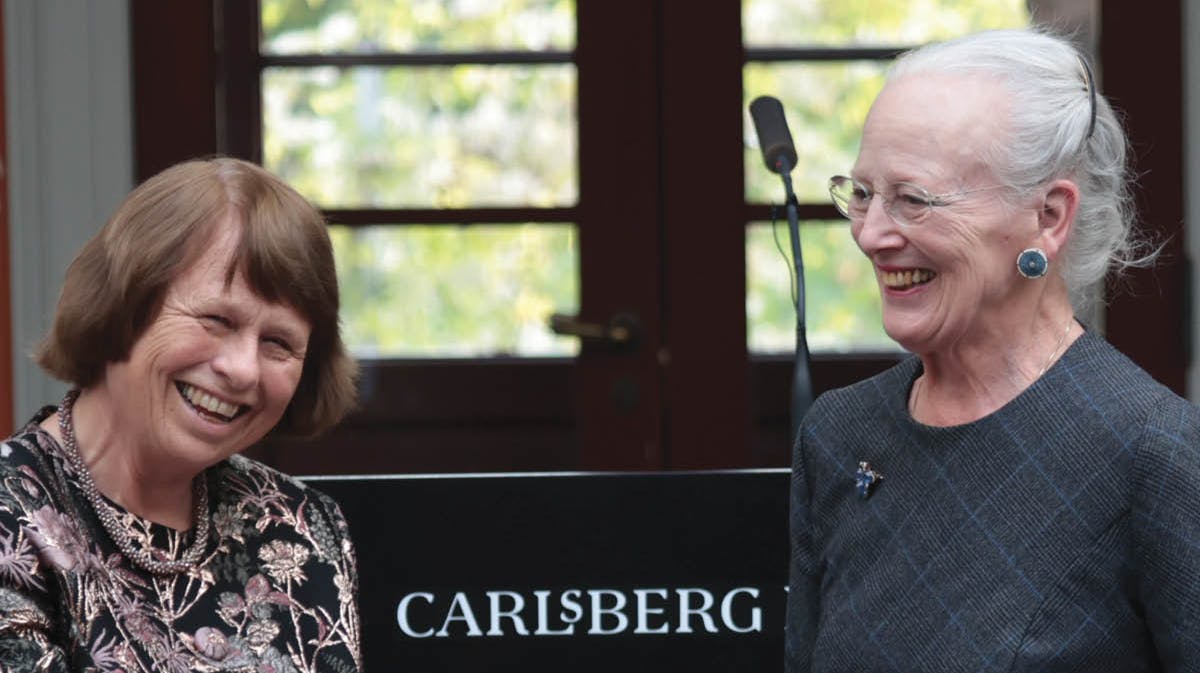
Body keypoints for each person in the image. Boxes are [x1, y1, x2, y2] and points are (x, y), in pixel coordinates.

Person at [786, 28, 1200, 671]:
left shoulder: (1151, 451)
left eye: (914, 200)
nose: (870, 235)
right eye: (862, 194)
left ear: (1049, 217)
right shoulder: (840, 436)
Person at [0, 157, 361, 672]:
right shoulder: (11, 519)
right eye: (216, 319)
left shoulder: (300, 524)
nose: (242, 370)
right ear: (122, 306)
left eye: (278, 343)